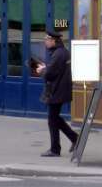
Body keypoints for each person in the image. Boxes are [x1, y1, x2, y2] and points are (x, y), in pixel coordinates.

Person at [36, 28, 78, 157]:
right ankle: (74, 139)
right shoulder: (62, 52)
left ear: (53, 40)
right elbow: (55, 70)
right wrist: (46, 68)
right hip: (60, 89)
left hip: (56, 90)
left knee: (52, 119)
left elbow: (50, 74)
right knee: (54, 118)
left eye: (46, 39)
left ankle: (55, 149)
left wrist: (42, 71)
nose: (45, 42)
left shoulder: (58, 54)